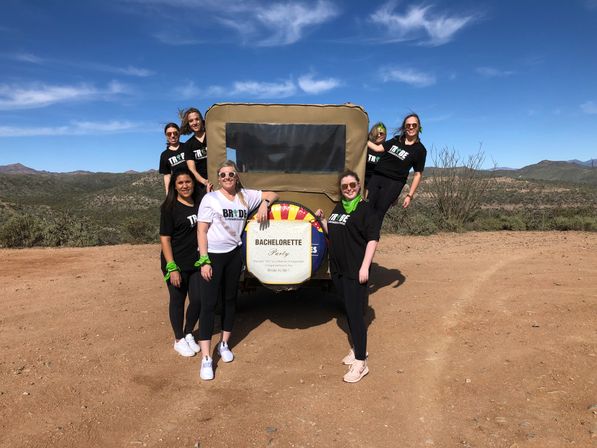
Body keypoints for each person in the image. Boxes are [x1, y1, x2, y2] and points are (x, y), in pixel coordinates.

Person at [196, 160, 279, 380]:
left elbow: (273, 193)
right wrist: (204, 260)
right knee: (209, 304)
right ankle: (206, 357)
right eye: (222, 175)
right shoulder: (210, 199)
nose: (226, 178)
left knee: (230, 300)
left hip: (234, 255)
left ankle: (224, 344)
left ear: (236, 176)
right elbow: (202, 231)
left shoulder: (245, 196)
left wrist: (264, 204)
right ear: (218, 177)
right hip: (213, 255)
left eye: (230, 174)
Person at [315, 170, 379, 383]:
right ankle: (357, 348)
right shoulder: (340, 207)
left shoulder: (366, 209)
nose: (349, 189)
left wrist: (365, 267)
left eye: (352, 185)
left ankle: (361, 362)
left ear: (359, 186)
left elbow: (372, 239)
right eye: (345, 187)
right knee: (348, 311)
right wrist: (324, 221)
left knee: (355, 315)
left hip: (355, 270)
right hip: (339, 270)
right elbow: (334, 233)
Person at [159, 168, 204, 357]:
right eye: (180, 183)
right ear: (175, 187)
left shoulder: (200, 203)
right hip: (175, 262)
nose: (185, 186)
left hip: (196, 263)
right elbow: (165, 240)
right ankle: (178, 339)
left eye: (188, 182)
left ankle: (188, 332)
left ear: (193, 183)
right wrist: (172, 267)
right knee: (177, 301)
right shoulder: (169, 208)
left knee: (198, 299)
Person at [366, 113, 427, 224]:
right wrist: (362, 137)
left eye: (414, 125)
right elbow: (378, 148)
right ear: (404, 127)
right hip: (377, 177)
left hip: (394, 183)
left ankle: (372, 239)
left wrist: (409, 195)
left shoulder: (420, 150)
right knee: (365, 209)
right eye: (408, 125)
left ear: (419, 127)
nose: (411, 127)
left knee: (378, 213)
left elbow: (418, 174)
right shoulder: (396, 140)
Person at [180, 108, 212, 191]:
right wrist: (204, 182)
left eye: (197, 119)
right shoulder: (188, 145)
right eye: (191, 121)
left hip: (221, 181)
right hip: (202, 186)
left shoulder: (213, 136)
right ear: (188, 124)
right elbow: (192, 169)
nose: (194, 123)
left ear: (201, 120)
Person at [159, 123, 186, 193]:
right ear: (166, 136)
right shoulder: (164, 155)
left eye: (175, 133)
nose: (172, 136)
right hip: (179, 189)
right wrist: (168, 193)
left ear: (179, 133)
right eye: (169, 134)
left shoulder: (187, 147)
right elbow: (167, 175)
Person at [364, 122, 387, 189]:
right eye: (377, 133)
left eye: (381, 133)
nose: (379, 135)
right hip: (363, 185)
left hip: (378, 187)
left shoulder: (386, 150)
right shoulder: (365, 146)